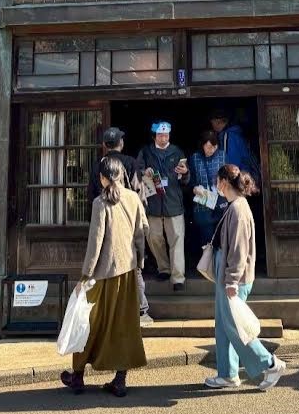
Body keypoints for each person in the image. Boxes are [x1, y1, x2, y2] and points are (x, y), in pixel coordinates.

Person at [61, 156, 147, 397]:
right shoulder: (133, 198)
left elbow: (95, 243)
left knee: (88, 322)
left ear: (102, 178)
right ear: (121, 175)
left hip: (102, 274)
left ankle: (78, 376)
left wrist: (85, 275)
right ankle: (120, 379)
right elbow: (141, 233)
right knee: (124, 325)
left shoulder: (100, 203)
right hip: (127, 271)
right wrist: (140, 262)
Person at [205, 163, 286, 391]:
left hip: (234, 278)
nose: (216, 184)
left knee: (235, 328)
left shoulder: (238, 209)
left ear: (223, 182)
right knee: (225, 326)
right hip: (230, 275)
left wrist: (231, 281)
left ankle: (270, 363)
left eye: (217, 181)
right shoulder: (236, 206)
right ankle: (228, 374)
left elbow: (239, 251)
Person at [89, 126, 153, 326]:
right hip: (127, 220)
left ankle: (108, 314)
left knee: (105, 268)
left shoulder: (98, 166)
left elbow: (91, 194)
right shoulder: (130, 163)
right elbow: (139, 192)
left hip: (104, 219)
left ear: (104, 145)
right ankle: (141, 311)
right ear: (121, 143)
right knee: (134, 267)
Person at [137, 121, 189, 291]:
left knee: (177, 240)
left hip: (173, 202)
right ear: (154, 136)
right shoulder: (146, 152)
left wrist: (185, 173)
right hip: (153, 203)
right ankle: (164, 268)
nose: (163, 138)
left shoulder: (177, 152)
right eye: (160, 135)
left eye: (166, 135)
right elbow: (136, 171)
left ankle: (178, 278)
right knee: (154, 238)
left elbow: (186, 180)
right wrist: (143, 172)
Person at [190, 130, 227, 246]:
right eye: (209, 147)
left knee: (223, 240)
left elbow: (231, 177)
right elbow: (190, 180)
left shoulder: (223, 156)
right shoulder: (195, 158)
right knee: (207, 243)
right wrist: (194, 188)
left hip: (221, 204)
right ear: (202, 145)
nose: (212, 150)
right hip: (203, 205)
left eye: (214, 147)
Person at [210, 108, 260, 182]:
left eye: (212, 122)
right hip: (247, 176)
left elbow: (231, 164)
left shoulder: (229, 136)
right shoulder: (235, 133)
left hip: (241, 179)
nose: (212, 125)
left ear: (218, 121)